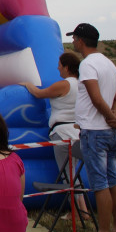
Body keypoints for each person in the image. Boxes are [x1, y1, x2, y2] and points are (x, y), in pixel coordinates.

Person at [69, 22, 116, 232]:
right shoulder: (109, 64)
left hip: (94, 132)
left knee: (100, 183)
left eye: (74, 39)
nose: (73, 42)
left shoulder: (88, 65)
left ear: (81, 41)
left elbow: (95, 98)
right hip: (109, 133)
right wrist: (115, 118)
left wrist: (111, 119)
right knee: (113, 179)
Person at [19, 52, 88, 216]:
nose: (58, 68)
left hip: (62, 133)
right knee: (72, 173)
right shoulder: (81, 85)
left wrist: (27, 84)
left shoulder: (64, 85)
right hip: (75, 132)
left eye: (60, 65)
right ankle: (81, 210)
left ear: (66, 67)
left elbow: (39, 93)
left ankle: (79, 212)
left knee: (68, 175)